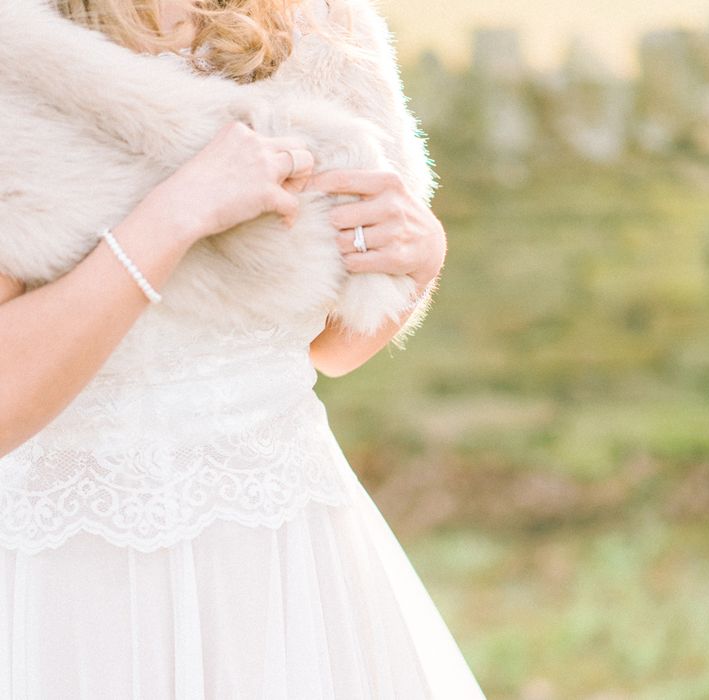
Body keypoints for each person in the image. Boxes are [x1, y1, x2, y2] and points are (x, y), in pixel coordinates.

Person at [0, 0, 486, 697]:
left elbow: (330, 350)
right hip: (80, 576)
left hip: (287, 556)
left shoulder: (328, 31)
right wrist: (175, 215)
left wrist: (422, 252)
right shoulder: (21, 49)